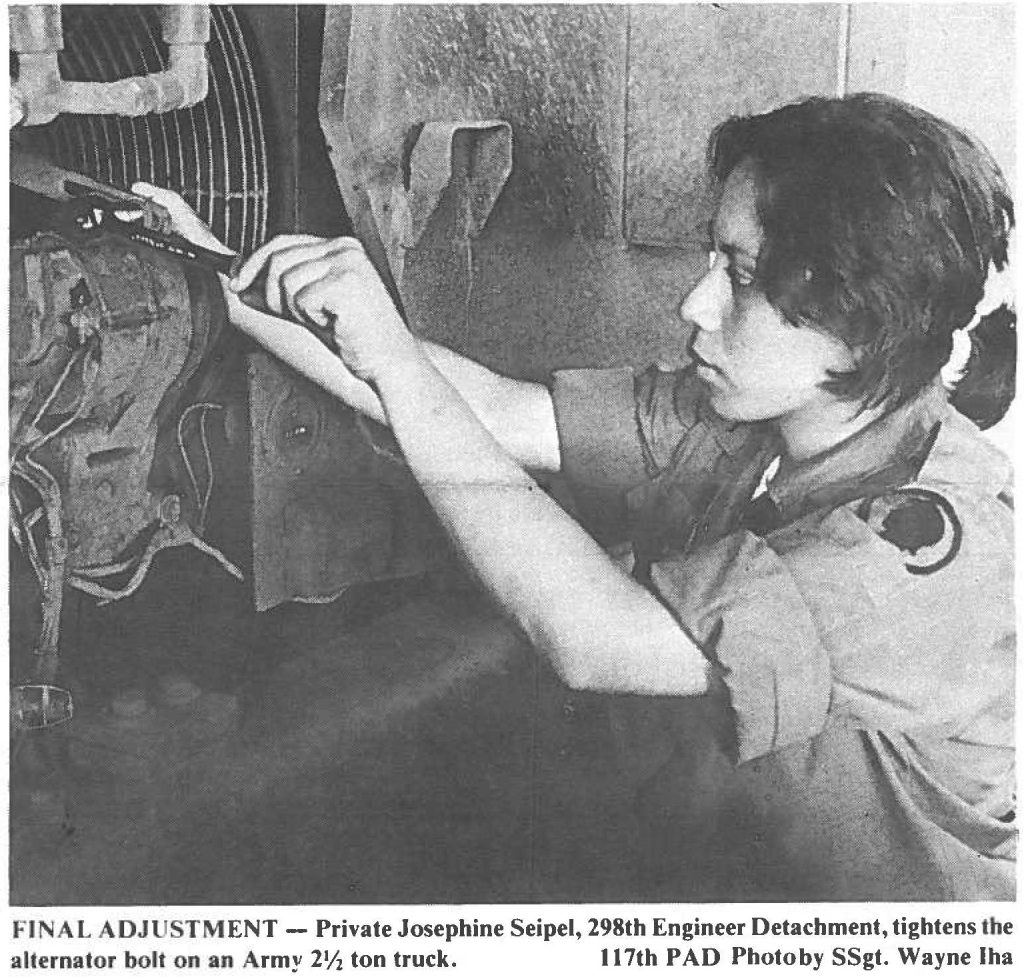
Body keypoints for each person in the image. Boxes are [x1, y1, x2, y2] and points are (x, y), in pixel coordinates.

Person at [137, 92, 1016, 900]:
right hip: (728, 867)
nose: (697, 303)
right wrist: (212, 273)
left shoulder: (927, 556)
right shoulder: (761, 413)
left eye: (743, 278)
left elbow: (593, 636)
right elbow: (492, 410)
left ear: (858, 321)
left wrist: (397, 360)